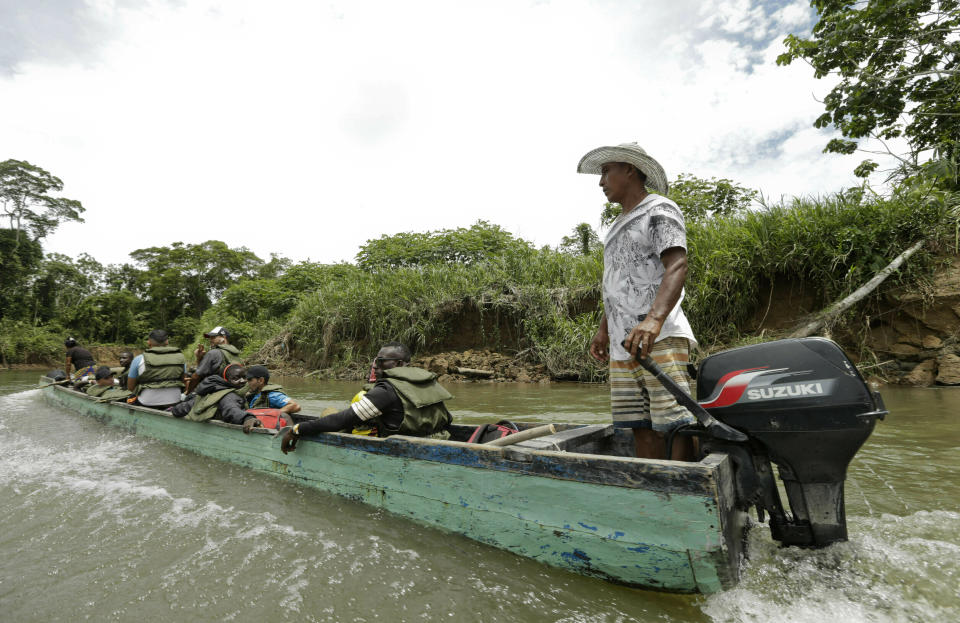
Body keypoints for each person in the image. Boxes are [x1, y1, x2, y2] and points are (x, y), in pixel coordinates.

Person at [577, 142, 698, 461]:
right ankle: (655, 490)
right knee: (639, 425)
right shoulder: (615, 227)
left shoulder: (659, 208)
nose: (601, 182)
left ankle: (685, 492)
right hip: (623, 343)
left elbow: (677, 265)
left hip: (659, 336)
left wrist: (654, 320)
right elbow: (614, 282)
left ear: (629, 169)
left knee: (674, 423)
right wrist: (604, 330)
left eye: (606, 171)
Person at [280, 342, 452, 453]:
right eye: (376, 361)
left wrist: (297, 429)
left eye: (381, 361)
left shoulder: (386, 389)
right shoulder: (428, 381)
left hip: (406, 449)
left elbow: (342, 420)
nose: (375, 366)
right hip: (440, 440)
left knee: (330, 414)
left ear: (399, 364)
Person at [170, 363, 263, 433]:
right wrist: (247, 418)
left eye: (244, 377)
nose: (242, 381)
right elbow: (231, 410)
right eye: (236, 378)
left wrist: (174, 410)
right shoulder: (229, 396)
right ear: (225, 381)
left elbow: (183, 408)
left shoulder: (212, 391)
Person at [127, 329, 186, 408]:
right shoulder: (180, 357)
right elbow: (183, 380)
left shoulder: (139, 359)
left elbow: (131, 387)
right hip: (175, 400)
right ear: (167, 342)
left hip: (147, 402)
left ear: (149, 342)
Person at [185, 326, 242, 394]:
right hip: (234, 390)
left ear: (223, 337)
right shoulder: (235, 353)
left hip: (217, 392)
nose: (210, 340)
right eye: (210, 337)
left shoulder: (213, 353)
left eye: (213, 337)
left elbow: (196, 376)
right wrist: (199, 358)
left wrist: (188, 392)